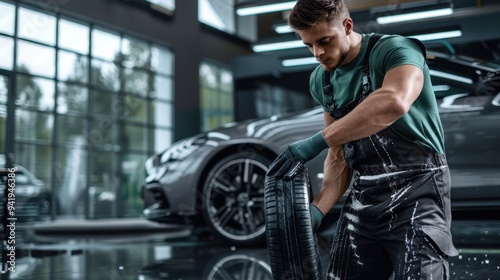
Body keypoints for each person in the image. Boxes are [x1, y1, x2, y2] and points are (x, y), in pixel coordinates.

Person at [266, 0, 459, 279]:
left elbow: (393, 101)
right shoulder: (321, 80)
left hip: (418, 193)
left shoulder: (395, 50)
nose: (318, 52)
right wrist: (317, 211)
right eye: (308, 45)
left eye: (324, 41)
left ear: (347, 26)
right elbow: (338, 156)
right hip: (364, 201)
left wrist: (316, 141)